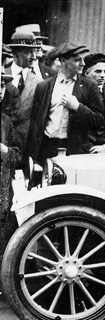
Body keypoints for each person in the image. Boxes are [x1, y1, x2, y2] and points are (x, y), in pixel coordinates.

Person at [26, 42, 105, 164]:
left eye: (83, 60)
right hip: (48, 147)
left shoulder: (89, 86)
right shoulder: (44, 86)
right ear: (63, 60)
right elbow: (35, 124)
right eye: (77, 60)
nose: (83, 64)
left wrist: (78, 107)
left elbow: (99, 120)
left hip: (74, 149)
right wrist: (32, 156)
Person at [6, 28, 42, 159]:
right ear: (15, 53)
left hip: (24, 149)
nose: (33, 57)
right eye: (28, 52)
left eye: (34, 52)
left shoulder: (39, 83)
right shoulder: (3, 75)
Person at [0, 68, 21, 258]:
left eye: (1, 85)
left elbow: (17, 155)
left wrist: (6, 151)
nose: (0, 89)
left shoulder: (6, 121)